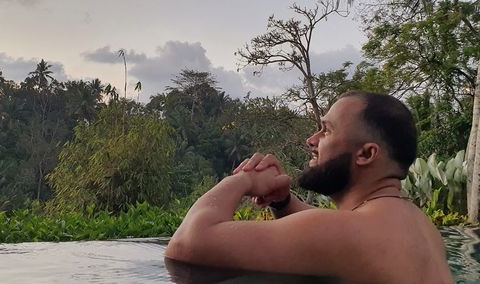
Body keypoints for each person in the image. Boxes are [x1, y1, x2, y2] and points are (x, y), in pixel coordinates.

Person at [165, 91, 454, 283]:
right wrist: (282, 202)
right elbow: (330, 237)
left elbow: (187, 245)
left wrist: (244, 179)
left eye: (326, 130)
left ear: (366, 154)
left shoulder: (350, 233)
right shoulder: (421, 227)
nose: (311, 140)